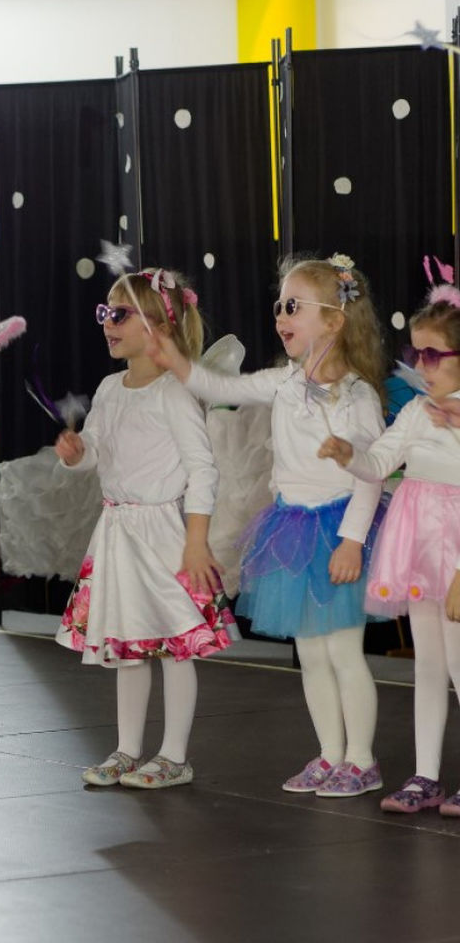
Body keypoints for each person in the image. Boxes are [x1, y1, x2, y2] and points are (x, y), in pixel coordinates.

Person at [149, 254, 388, 797]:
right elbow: (223, 388)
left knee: (343, 652)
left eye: (294, 306)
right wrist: (178, 363)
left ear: (333, 320)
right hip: (292, 533)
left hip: (340, 532)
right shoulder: (282, 383)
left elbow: (371, 475)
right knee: (311, 653)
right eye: (280, 305)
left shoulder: (357, 395)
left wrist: (351, 541)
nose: (281, 315)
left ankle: (362, 758)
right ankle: (329, 753)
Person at [55, 267, 233, 790]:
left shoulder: (173, 393)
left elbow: (203, 469)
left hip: (162, 535)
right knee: (126, 644)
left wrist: (195, 540)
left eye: (119, 314)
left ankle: (174, 755)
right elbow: (97, 452)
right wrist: (77, 454)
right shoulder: (110, 388)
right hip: (117, 532)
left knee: (175, 644)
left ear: (158, 326)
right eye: (104, 313)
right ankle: (127, 749)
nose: (107, 323)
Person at [319, 291, 460, 814]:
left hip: (456, 557)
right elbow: (380, 464)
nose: (419, 365)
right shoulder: (419, 412)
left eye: (432, 356)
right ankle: (426, 776)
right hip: (420, 549)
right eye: (415, 353)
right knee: (429, 665)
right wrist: (348, 454)